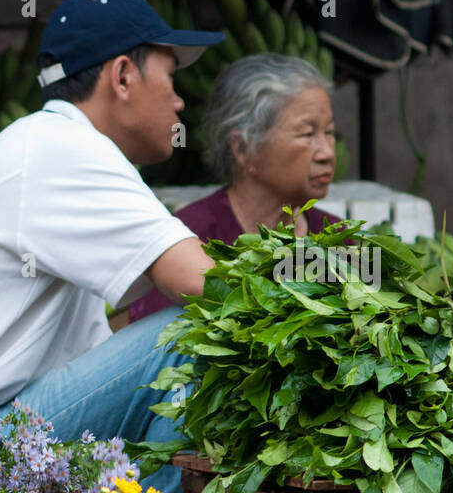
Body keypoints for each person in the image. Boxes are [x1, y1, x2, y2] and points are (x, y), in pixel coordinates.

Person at [0, 0, 224, 493]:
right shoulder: (64, 149)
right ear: (124, 76)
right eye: (171, 77)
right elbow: (203, 282)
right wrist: (316, 294)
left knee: (173, 376)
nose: (178, 101)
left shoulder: (46, 145)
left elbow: (98, 360)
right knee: (188, 336)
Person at [128, 53, 341, 322]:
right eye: (307, 134)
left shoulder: (342, 241)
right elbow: (158, 349)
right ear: (242, 148)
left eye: (330, 132)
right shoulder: (185, 244)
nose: (326, 153)